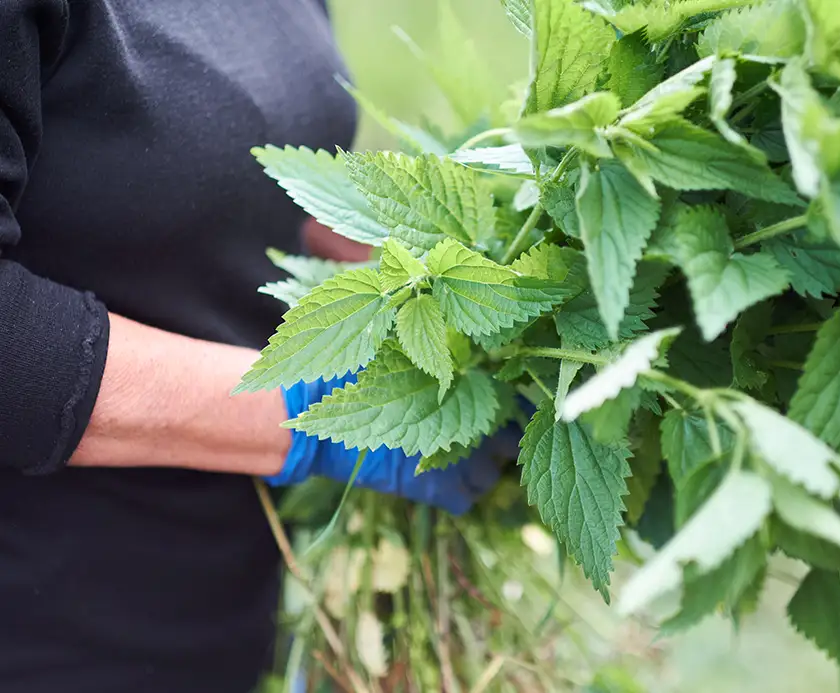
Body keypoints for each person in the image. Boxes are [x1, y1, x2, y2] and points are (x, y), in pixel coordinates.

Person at [0, 2, 509, 692]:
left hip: (233, 608)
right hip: (53, 632)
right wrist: (319, 414)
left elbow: (227, 159)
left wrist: (443, 264)